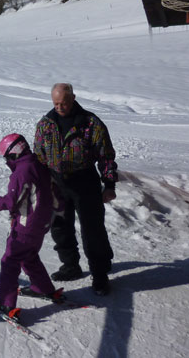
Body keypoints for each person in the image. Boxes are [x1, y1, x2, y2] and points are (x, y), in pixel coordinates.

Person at [33, 83, 118, 296]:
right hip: (56, 183)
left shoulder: (90, 123)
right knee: (60, 226)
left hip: (85, 182)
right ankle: (70, 265)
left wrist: (109, 185)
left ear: (73, 99)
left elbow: (106, 156)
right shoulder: (45, 124)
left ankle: (100, 273)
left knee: (93, 230)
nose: (59, 107)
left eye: (63, 103)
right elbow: (39, 156)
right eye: (55, 103)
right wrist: (39, 183)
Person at [0, 133, 63, 320]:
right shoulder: (38, 164)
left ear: (13, 153)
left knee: (10, 260)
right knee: (28, 256)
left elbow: (11, 201)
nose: (6, 161)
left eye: (6, 157)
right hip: (42, 222)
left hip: (26, 225)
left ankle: (5, 302)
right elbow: (55, 193)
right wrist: (56, 212)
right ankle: (43, 288)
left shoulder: (23, 171)